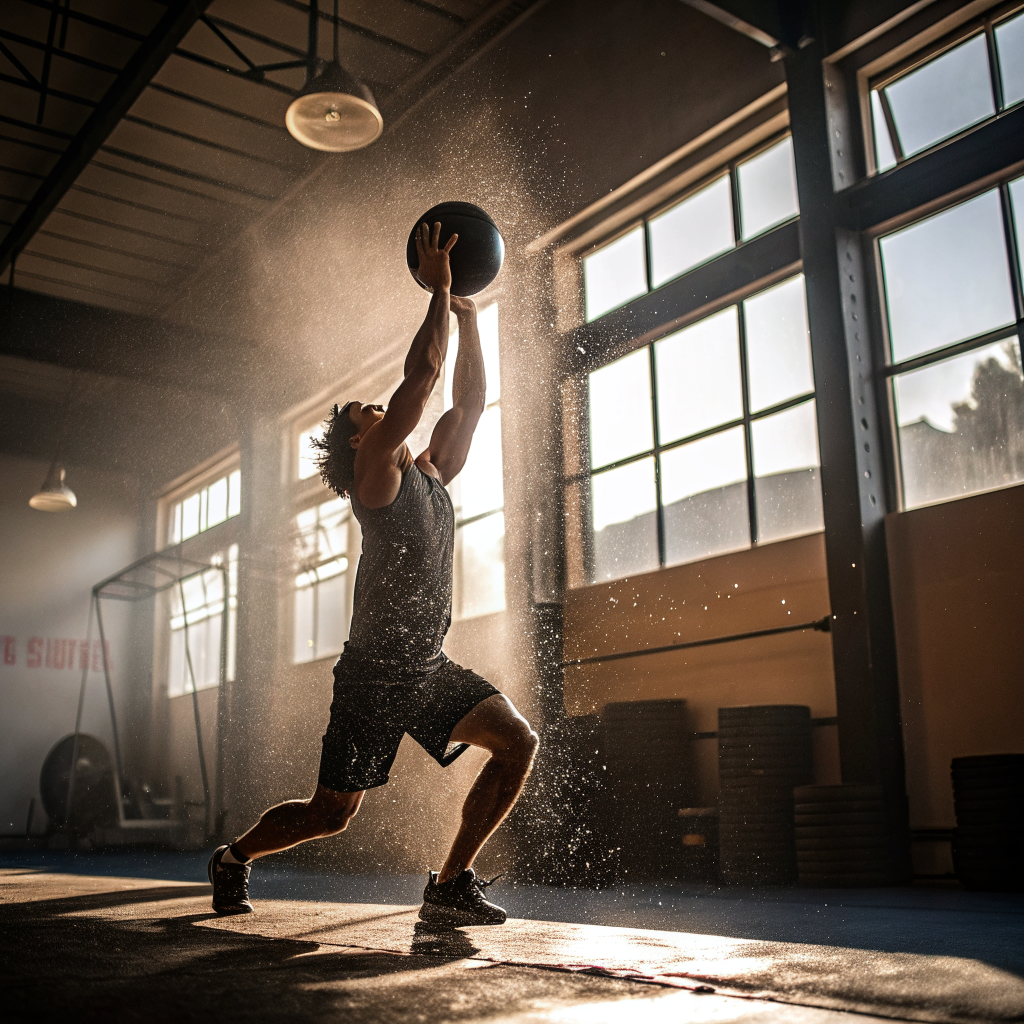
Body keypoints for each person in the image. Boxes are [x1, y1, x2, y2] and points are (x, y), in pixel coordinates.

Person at [207, 221, 538, 926]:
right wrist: (440, 287)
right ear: (361, 442)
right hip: (371, 675)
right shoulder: (374, 480)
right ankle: (233, 857)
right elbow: (424, 377)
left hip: (425, 664)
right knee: (332, 815)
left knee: (518, 742)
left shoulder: (430, 473)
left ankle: (450, 884)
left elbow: (468, 403)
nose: (386, 411)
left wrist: (470, 319)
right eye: (372, 414)